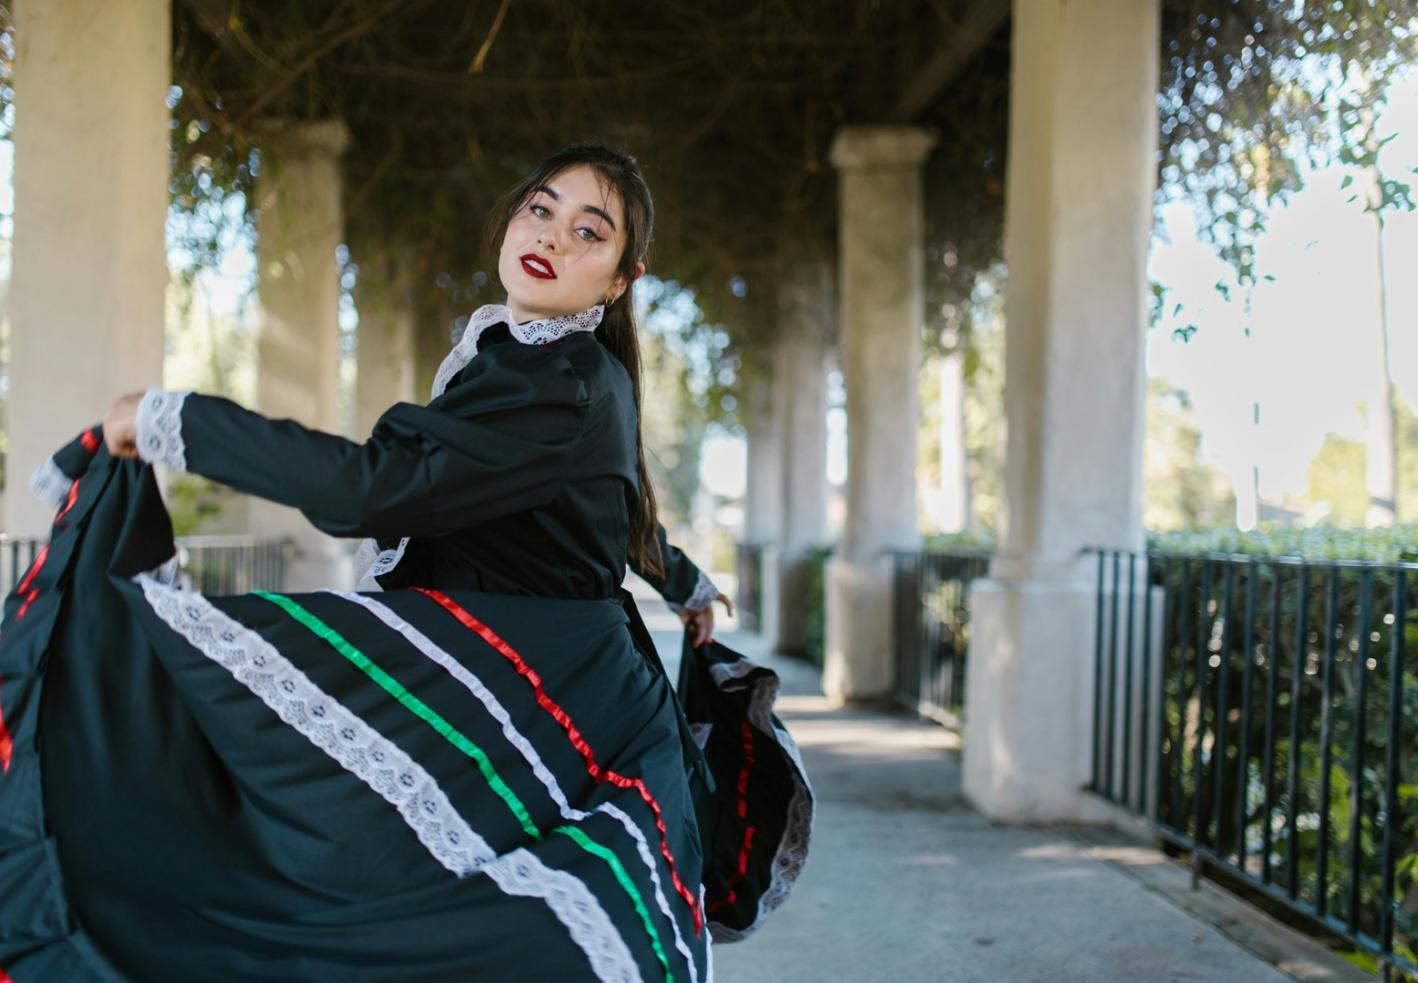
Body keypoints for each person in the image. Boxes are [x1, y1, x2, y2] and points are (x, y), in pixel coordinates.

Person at [0, 145, 810, 982]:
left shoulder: (560, 382)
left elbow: (377, 488)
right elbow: (613, 503)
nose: (554, 237)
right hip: (544, 675)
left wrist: (179, 422)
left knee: (435, 916)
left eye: (588, 231)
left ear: (618, 281)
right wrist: (682, 579)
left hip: (545, 698)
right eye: (541, 208)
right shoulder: (546, 363)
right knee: (409, 903)